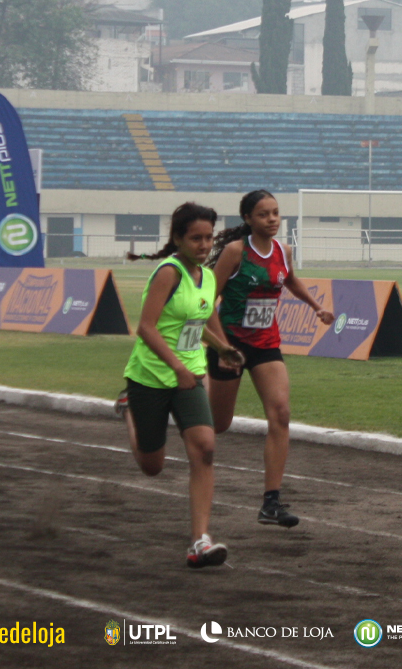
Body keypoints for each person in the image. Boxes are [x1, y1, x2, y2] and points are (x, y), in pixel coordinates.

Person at [120, 202, 245, 568]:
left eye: (208, 238)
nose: (204, 245)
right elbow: (146, 327)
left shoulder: (206, 277)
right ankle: (129, 409)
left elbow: (197, 322)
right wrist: (175, 367)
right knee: (152, 465)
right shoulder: (168, 273)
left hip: (190, 376)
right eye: (196, 238)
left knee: (205, 448)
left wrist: (223, 348)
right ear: (178, 238)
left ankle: (200, 541)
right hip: (151, 376)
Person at [204, 190, 334, 528]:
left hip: (265, 345)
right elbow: (206, 302)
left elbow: (289, 279)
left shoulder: (284, 251)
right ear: (248, 219)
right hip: (229, 344)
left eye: (275, 213)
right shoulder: (236, 252)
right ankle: (179, 392)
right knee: (219, 424)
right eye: (263, 214)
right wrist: (220, 348)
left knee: (281, 413)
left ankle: (271, 502)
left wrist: (316, 306)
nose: (272, 219)